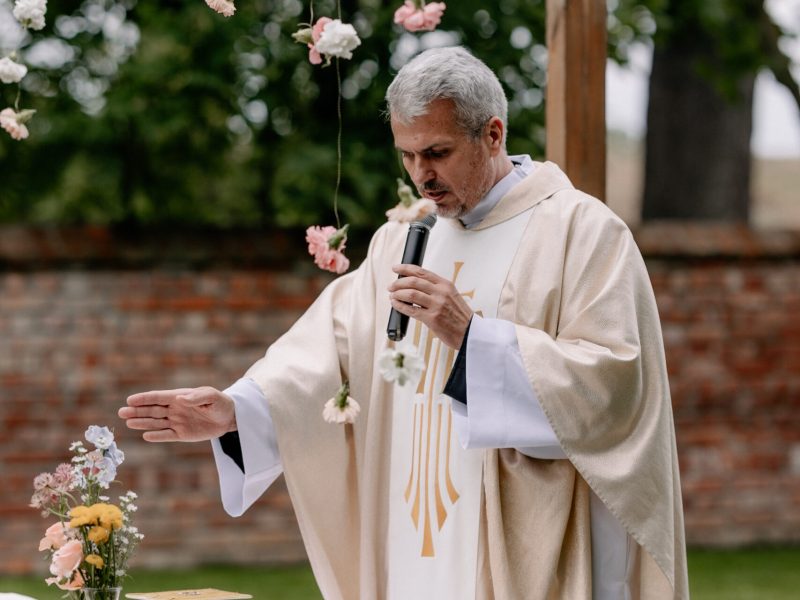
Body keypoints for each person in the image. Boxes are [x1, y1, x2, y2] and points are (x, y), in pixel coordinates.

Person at [119, 46, 689, 599]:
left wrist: (475, 337)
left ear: (493, 134)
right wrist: (238, 410)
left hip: (515, 537)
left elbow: (616, 383)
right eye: (408, 155)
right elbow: (328, 354)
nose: (422, 175)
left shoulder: (581, 232)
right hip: (409, 526)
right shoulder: (402, 239)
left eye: (437, 152)